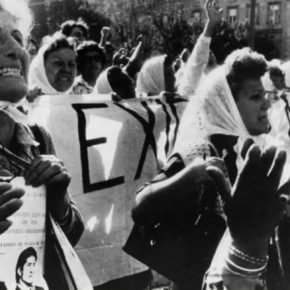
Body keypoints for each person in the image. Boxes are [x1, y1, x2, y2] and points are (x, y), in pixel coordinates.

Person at [130, 47, 273, 289]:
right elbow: (140, 207)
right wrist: (191, 175)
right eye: (256, 96)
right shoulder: (200, 151)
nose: (266, 105)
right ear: (226, 105)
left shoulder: (237, 150)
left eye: (266, 95)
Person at [0, 1, 84, 289]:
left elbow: (70, 236)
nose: (15, 50)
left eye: (18, 38)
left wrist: (58, 199)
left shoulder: (37, 135)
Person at [28, 33, 77, 99]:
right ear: (41, 67)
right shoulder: (21, 103)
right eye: (58, 63)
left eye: (71, 64)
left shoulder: (83, 100)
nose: (66, 69)